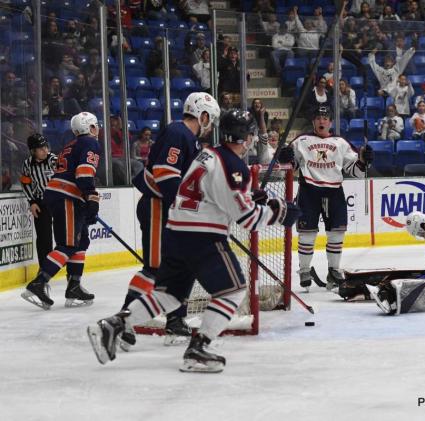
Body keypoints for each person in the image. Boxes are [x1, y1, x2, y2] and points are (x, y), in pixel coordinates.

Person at [87, 109, 301, 372]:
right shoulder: (234, 166)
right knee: (232, 290)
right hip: (203, 237)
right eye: (252, 136)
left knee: (170, 295)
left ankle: (114, 325)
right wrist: (278, 212)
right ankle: (199, 348)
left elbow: (212, 192)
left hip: (176, 232)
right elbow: (247, 219)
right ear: (245, 138)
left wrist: (248, 196)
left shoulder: (207, 153)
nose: (254, 141)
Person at [119, 92, 220, 350]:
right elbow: (165, 174)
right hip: (157, 207)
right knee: (154, 269)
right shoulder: (178, 133)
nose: (210, 127)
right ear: (203, 115)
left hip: (169, 210)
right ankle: (121, 323)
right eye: (211, 119)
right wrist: (185, 208)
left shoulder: (189, 140)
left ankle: (175, 320)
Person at [277, 105, 373, 291]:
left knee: (336, 233)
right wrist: (285, 159)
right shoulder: (301, 140)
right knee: (307, 234)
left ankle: (334, 271)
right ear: (313, 121)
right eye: (318, 117)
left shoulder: (341, 142)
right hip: (309, 191)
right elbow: (291, 167)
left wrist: (363, 160)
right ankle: (304, 270)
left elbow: (356, 171)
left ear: (330, 121)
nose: (322, 121)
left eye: (325, 118)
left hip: (334, 191)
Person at [21, 112, 101, 310]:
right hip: (67, 197)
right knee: (68, 243)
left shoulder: (71, 145)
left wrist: (86, 199)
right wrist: (90, 195)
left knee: (81, 240)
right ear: (90, 128)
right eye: (95, 125)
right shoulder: (90, 143)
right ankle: (39, 283)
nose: (97, 128)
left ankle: (74, 285)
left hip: (64, 195)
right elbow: (83, 174)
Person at [20, 133, 57, 268]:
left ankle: (65, 264)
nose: (45, 150)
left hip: (58, 202)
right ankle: (45, 269)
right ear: (33, 151)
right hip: (41, 203)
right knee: (43, 238)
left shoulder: (54, 160)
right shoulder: (27, 164)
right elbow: (25, 184)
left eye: (46, 147)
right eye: (41, 149)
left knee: (64, 235)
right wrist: (32, 202)